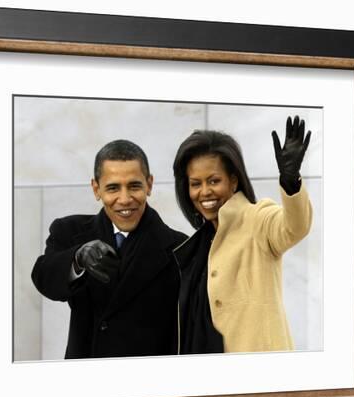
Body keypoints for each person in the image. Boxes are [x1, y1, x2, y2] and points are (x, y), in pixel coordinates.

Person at [32, 139, 187, 359]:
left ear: (149, 185)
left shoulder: (181, 248)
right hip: (86, 382)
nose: (124, 199)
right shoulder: (69, 231)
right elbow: (44, 278)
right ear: (96, 189)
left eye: (134, 186)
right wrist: (77, 258)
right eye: (113, 188)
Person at [172, 116, 313, 353]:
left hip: (260, 377)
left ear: (233, 181)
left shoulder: (257, 219)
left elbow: (293, 227)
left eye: (214, 181)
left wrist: (291, 181)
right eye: (195, 183)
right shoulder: (198, 244)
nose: (204, 191)